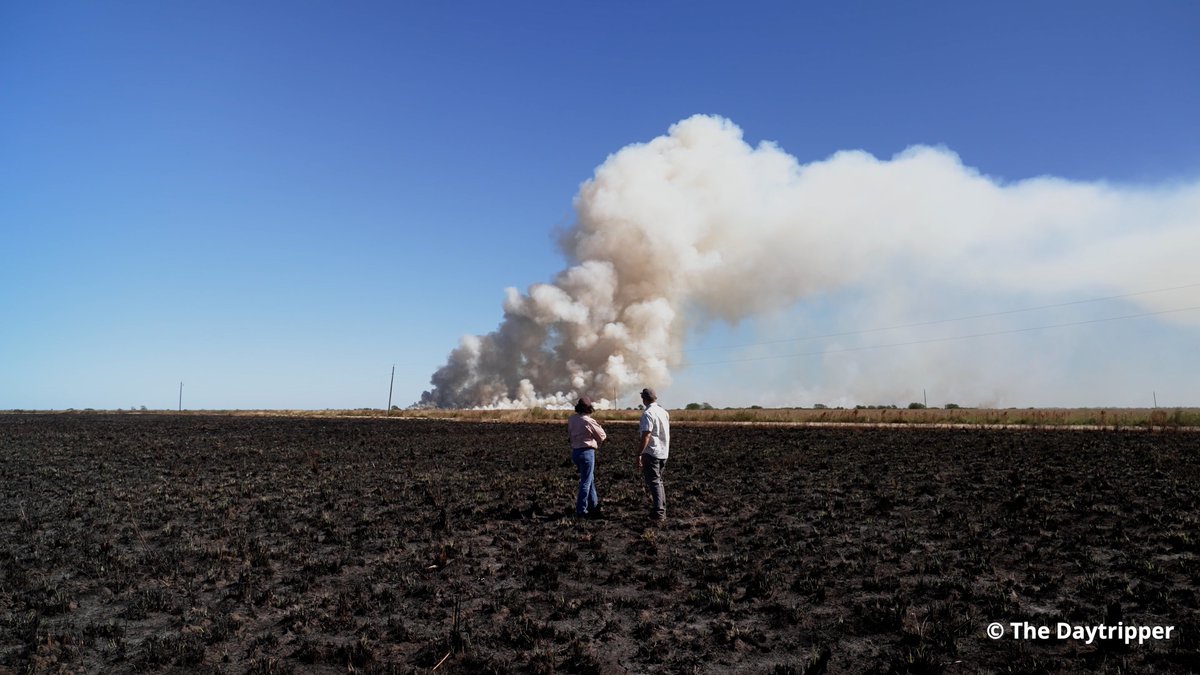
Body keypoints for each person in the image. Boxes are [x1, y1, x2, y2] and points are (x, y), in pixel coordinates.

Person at [568, 395, 607, 518]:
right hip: (587, 453)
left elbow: (569, 434)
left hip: (575, 452)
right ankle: (581, 510)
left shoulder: (572, 419)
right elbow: (602, 436)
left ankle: (593, 505)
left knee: (590, 479)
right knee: (586, 481)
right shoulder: (588, 421)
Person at [636, 387, 670, 523]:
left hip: (652, 452)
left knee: (654, 482)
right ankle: (661, 509)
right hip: (664, 452)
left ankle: (659, 512)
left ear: (643, 399)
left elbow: (646, 435)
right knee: (658, 481)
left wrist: (639, 453)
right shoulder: (664, 412)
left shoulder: (648, 414)